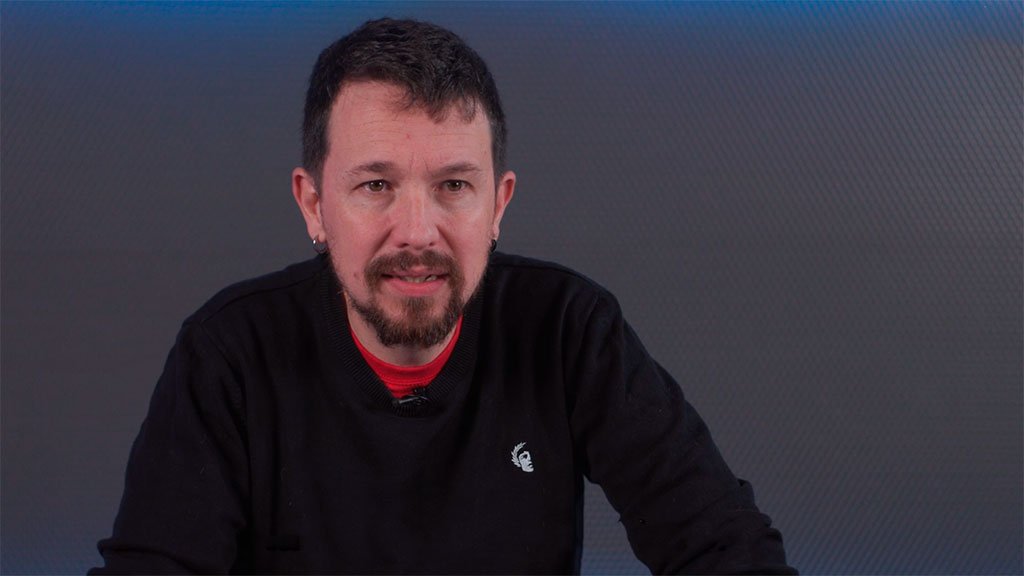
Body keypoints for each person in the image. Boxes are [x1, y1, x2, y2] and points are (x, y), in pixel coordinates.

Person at [92, 18, 794, 575]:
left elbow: (725, 547)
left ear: (498, 205)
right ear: (313, 205)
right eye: (376, 185)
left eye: (454, 185)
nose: (417, 232)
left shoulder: (567, 330)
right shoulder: (230, 354)